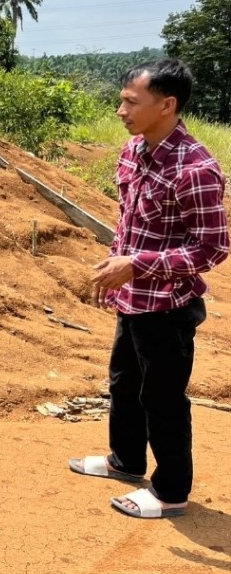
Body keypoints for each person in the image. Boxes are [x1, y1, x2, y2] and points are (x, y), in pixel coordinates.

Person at [69, 59, 229, 520]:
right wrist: (115, 271)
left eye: (130, 101)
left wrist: (136, 265)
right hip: (134, 299)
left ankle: (171, 491)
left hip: (169, 307)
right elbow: (129, 222)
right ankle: (126, 460)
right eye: (121, 100)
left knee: (162, 399)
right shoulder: (133, 151)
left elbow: (212, 249)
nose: (121, 109)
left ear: (167, 105)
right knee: (124, 384)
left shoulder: (195, 169)